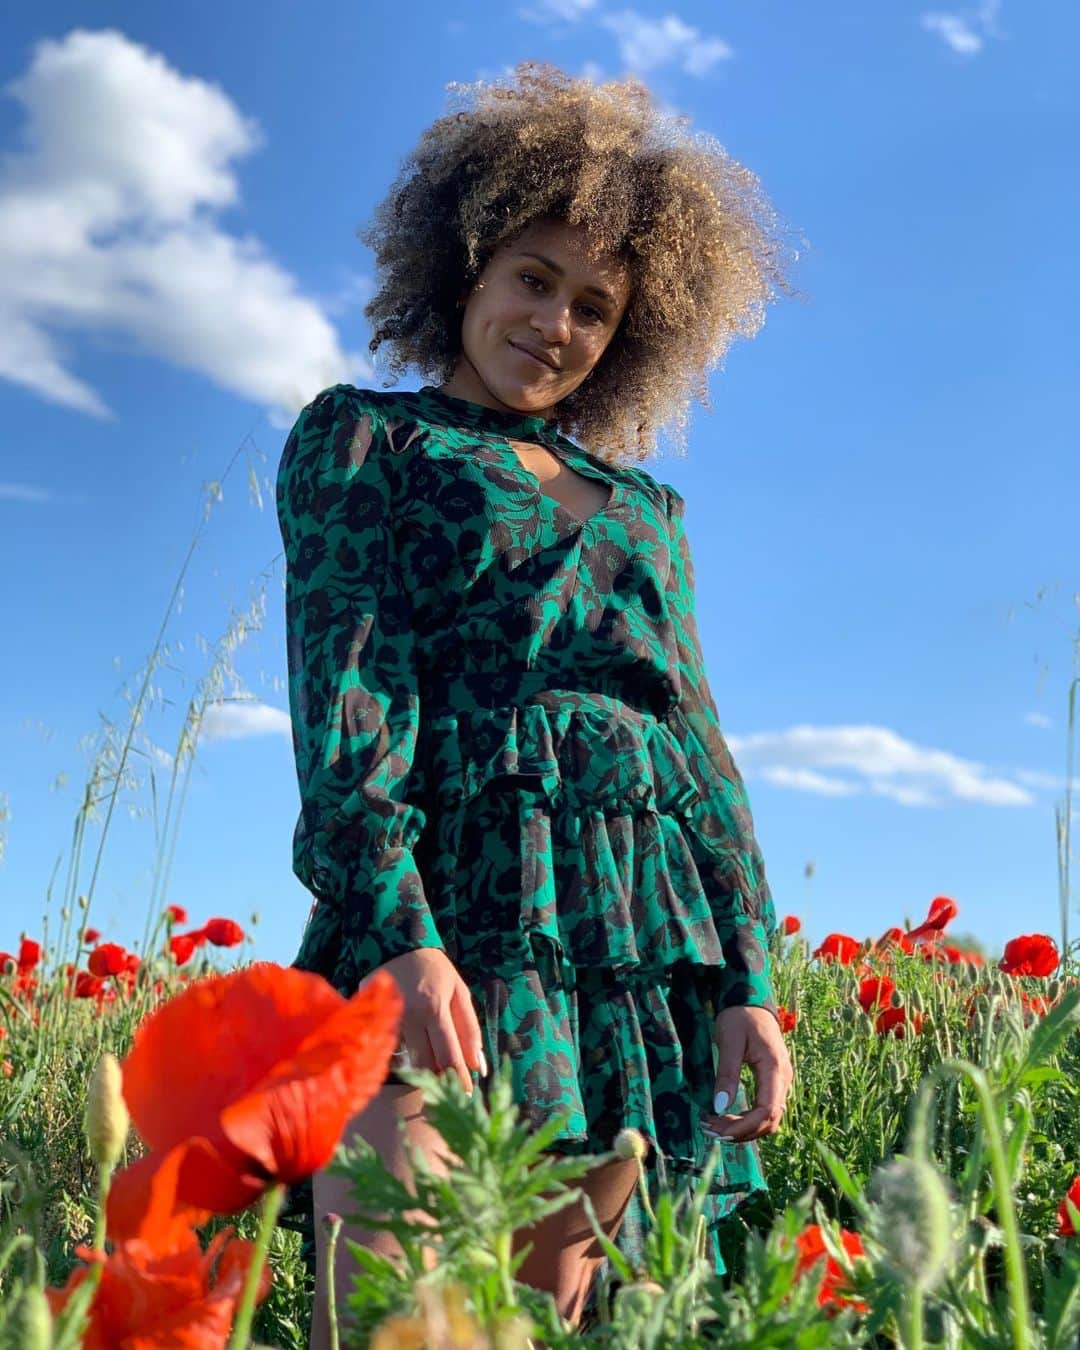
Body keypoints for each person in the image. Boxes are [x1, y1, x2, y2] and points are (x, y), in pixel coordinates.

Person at [276, 62, 796, 1346]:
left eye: (596, 309)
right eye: (533, 279)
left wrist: (752, 977)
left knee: (562, 1314)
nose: (556, 325)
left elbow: (696, 743)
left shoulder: (650, 511)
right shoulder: (370, 442)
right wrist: (396, 925)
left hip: (629, 932)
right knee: (400, 1289)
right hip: (448, 897)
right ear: (464, 267)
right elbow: (347, 686)